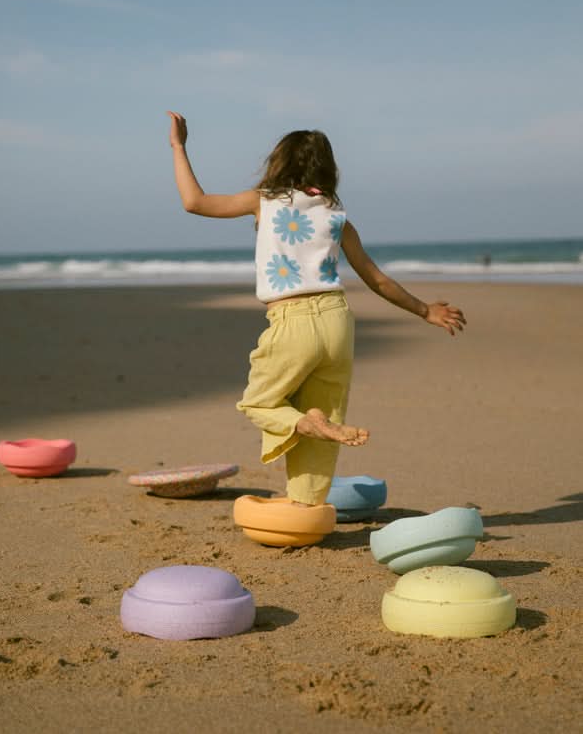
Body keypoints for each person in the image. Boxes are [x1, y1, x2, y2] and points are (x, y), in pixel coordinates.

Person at [167, 112, 466, 508]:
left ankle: (304, 422)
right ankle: (306, 508)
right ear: (327, 169)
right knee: (323, 425)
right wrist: (425, 309)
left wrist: (179, 146)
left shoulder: (265, 201)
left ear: (279, 163)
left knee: (261, 402)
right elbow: (377, 280)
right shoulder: (338, 218)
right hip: (338, 321)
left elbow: (195, 203)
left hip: (293, 322)